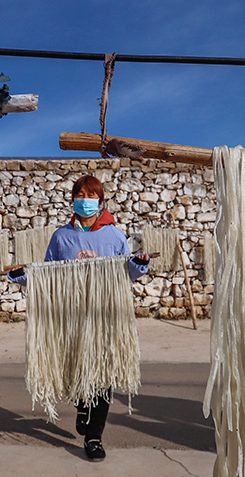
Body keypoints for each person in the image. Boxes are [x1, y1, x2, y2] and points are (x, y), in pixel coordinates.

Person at [9, 174, 149, 461]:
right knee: (76, 367)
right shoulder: (62, 236)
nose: (85, 200)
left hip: (105, 317)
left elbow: (126, 275)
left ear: (101, 200)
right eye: (80, 194)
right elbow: (48, 276)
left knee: (102, 372)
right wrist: (24, 278)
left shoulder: (114, 235)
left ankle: (95, 437)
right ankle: (82, 403)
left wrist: (138, 265)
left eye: (90, 195)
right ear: (73, 199)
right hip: (70, 316)